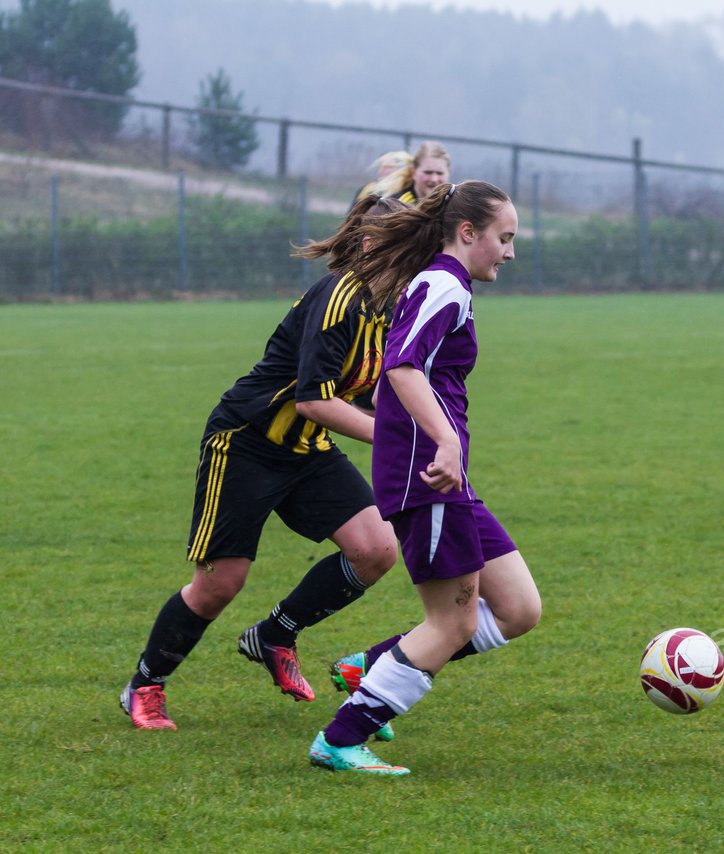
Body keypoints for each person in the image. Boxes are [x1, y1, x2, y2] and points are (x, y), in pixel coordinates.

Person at [118, 196, 410, 730]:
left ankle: (274, 634)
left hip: (307, 448)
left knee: (376, 549)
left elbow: (366, 392)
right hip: (247, 443)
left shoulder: (391, 305)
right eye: (408, 247)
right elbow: (313, 399)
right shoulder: (340, 300)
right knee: (220, 584)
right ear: (372, 246)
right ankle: (145, 684)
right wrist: (398, 438)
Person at [306, 181, 541, 775]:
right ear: (468, 233)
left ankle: (372, 668)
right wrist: (445, 442)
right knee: (453, 621)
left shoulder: (448, 285)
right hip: (424, 475)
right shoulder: (442, 285)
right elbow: (402, 369)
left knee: (517, 608)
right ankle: (341, 738)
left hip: (439, 474)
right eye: (503, 238)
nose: (509, 253)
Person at [369, 140, 451, 204]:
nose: (434, 179)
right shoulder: (396, 205)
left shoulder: (454, 207)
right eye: (428, 172)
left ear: (448, 172)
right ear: (414, 172)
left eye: (440, 173)